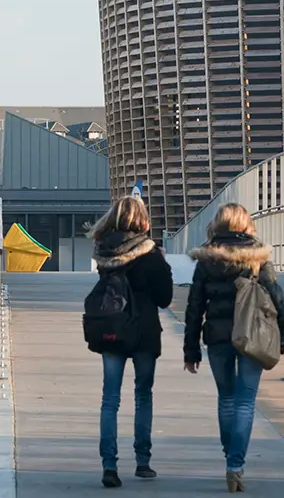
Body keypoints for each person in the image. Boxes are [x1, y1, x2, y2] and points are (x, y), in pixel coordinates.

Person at [183, 203, 284, 493]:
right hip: (252, 334)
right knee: (245, 401)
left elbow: (194, 306)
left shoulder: (207, 259)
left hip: (217, 337)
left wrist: (190, 349)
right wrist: (281, 335)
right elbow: (277, 299)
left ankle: (230, 454)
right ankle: (235, 464)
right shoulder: (258, 257)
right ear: (246, 224)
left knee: (227, 399)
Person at [89, 196, 173, 489]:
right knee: (143, 395)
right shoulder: (150, 255)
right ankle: (142, 461)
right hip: (144, 333)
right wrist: (164, 265)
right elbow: (165, 298)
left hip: (111, 329)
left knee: (109, 399)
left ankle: (109, 465)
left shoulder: (104, 250)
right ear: (142, 220)